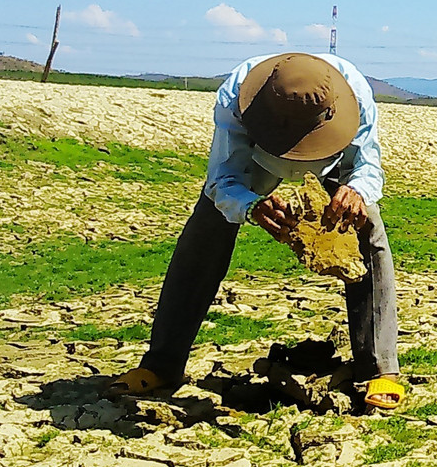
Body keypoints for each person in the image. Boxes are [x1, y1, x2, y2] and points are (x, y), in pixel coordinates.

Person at [109, 52, 403, 409]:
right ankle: (162, 365)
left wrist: (356, 191)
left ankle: (379, 368)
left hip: (332, 166)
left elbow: (367, 164)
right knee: (203, 234)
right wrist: (250, 205)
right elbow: (223, 178)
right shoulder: (235, 97)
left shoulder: (354, 90)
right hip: (257, 162)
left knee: (367, 227)